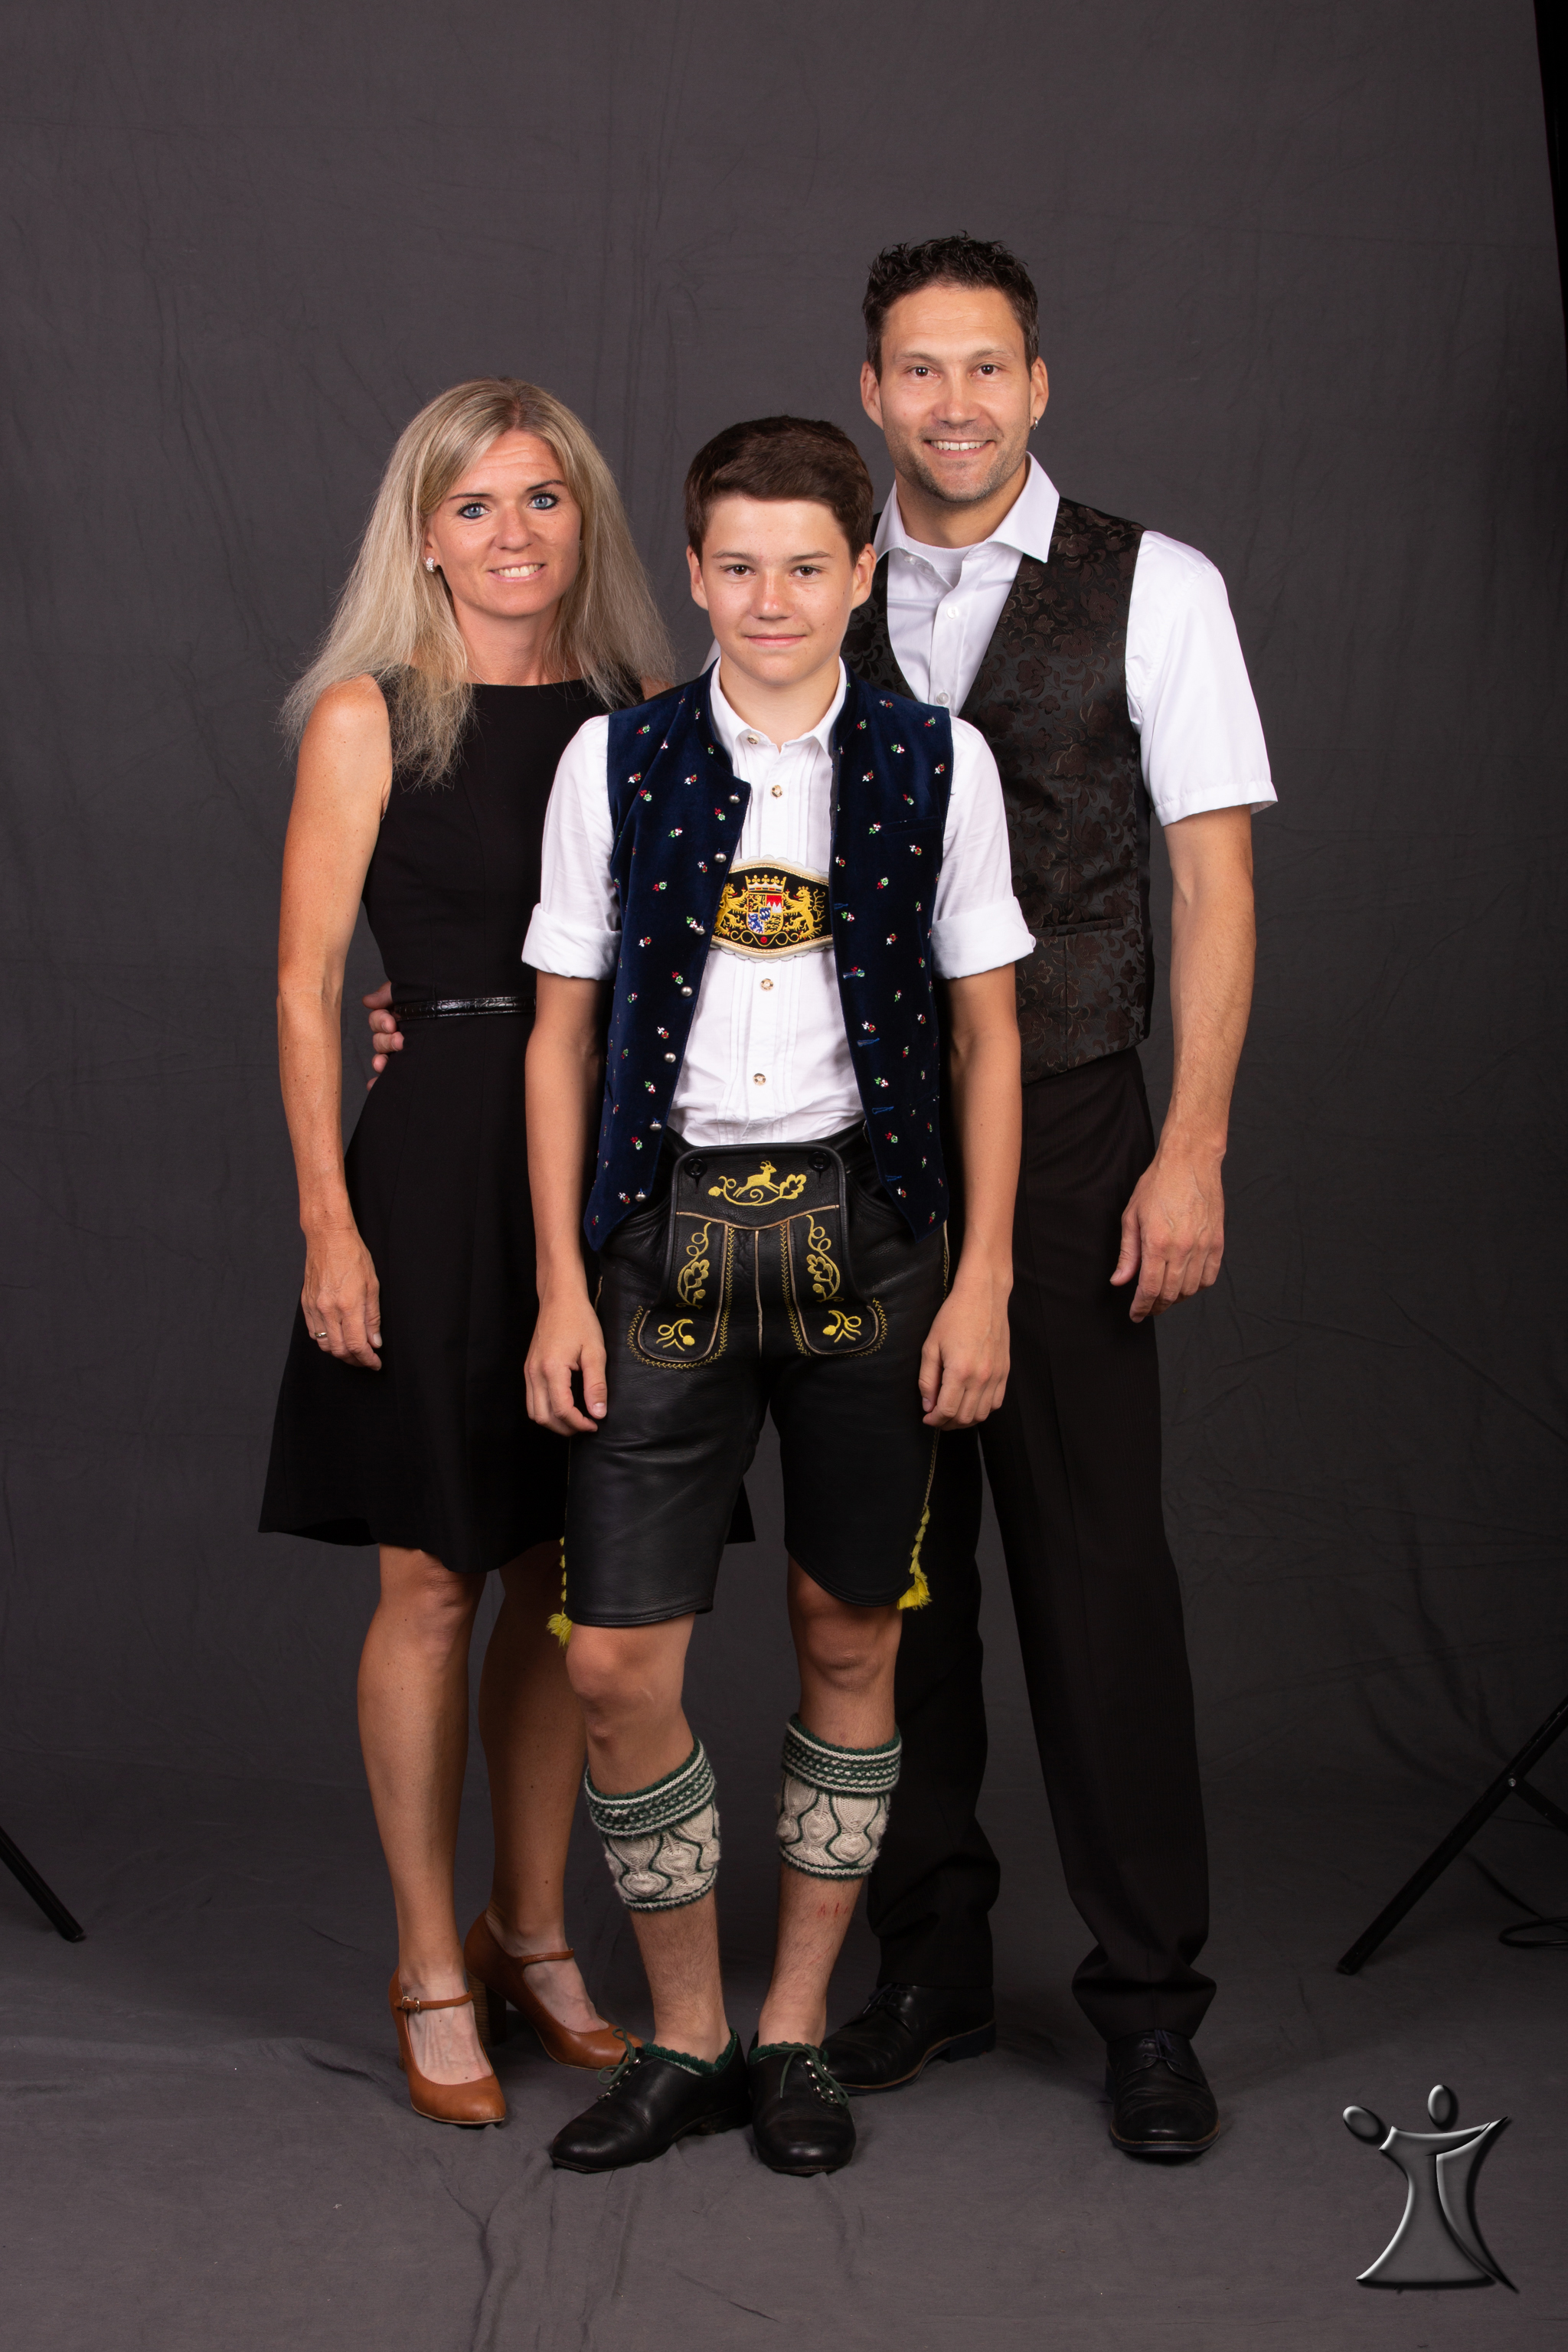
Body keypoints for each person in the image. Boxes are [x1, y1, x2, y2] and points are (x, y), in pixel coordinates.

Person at [518, 414, 1032, 2176]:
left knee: (850, 1633)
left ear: (859, 573)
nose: (770, 597)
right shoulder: (615, 760)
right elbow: (560, 1037)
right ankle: (686, 2034)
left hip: (871, 1247)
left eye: (806, 565)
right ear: (691, 571)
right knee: (613, 1658)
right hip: (655, 1243)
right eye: (736, 565)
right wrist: (558, 1282)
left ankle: (797, 2028)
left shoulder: (937, 761)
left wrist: (983, 1277)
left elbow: (986, 1035)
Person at [820, 237, 1272, 2160]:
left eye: (985, 367)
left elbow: (1215, 886)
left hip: (1082, 1122)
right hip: (855, 1141)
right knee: (886, 1580)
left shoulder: (1157, 587)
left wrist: (1195, 1146)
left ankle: (1149, 2003)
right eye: (918, 370)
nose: (954, 404)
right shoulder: (814, 577)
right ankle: (925, 1959)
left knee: (1094, 1576)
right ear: (872, 391)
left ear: (1038, 383)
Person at [260, 377, 668, 2126]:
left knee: (566, 1574)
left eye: (543, 498)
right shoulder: (371, 715)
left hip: (603, 1170)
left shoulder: (640, 713)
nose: (514, 534)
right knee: (431, 1573)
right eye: (477, 504)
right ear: (423, 534)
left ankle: (534, 1930)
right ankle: (430, 1959)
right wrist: (327, 1221)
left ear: (586, 519)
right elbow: (305, 982)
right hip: (429, 1170)